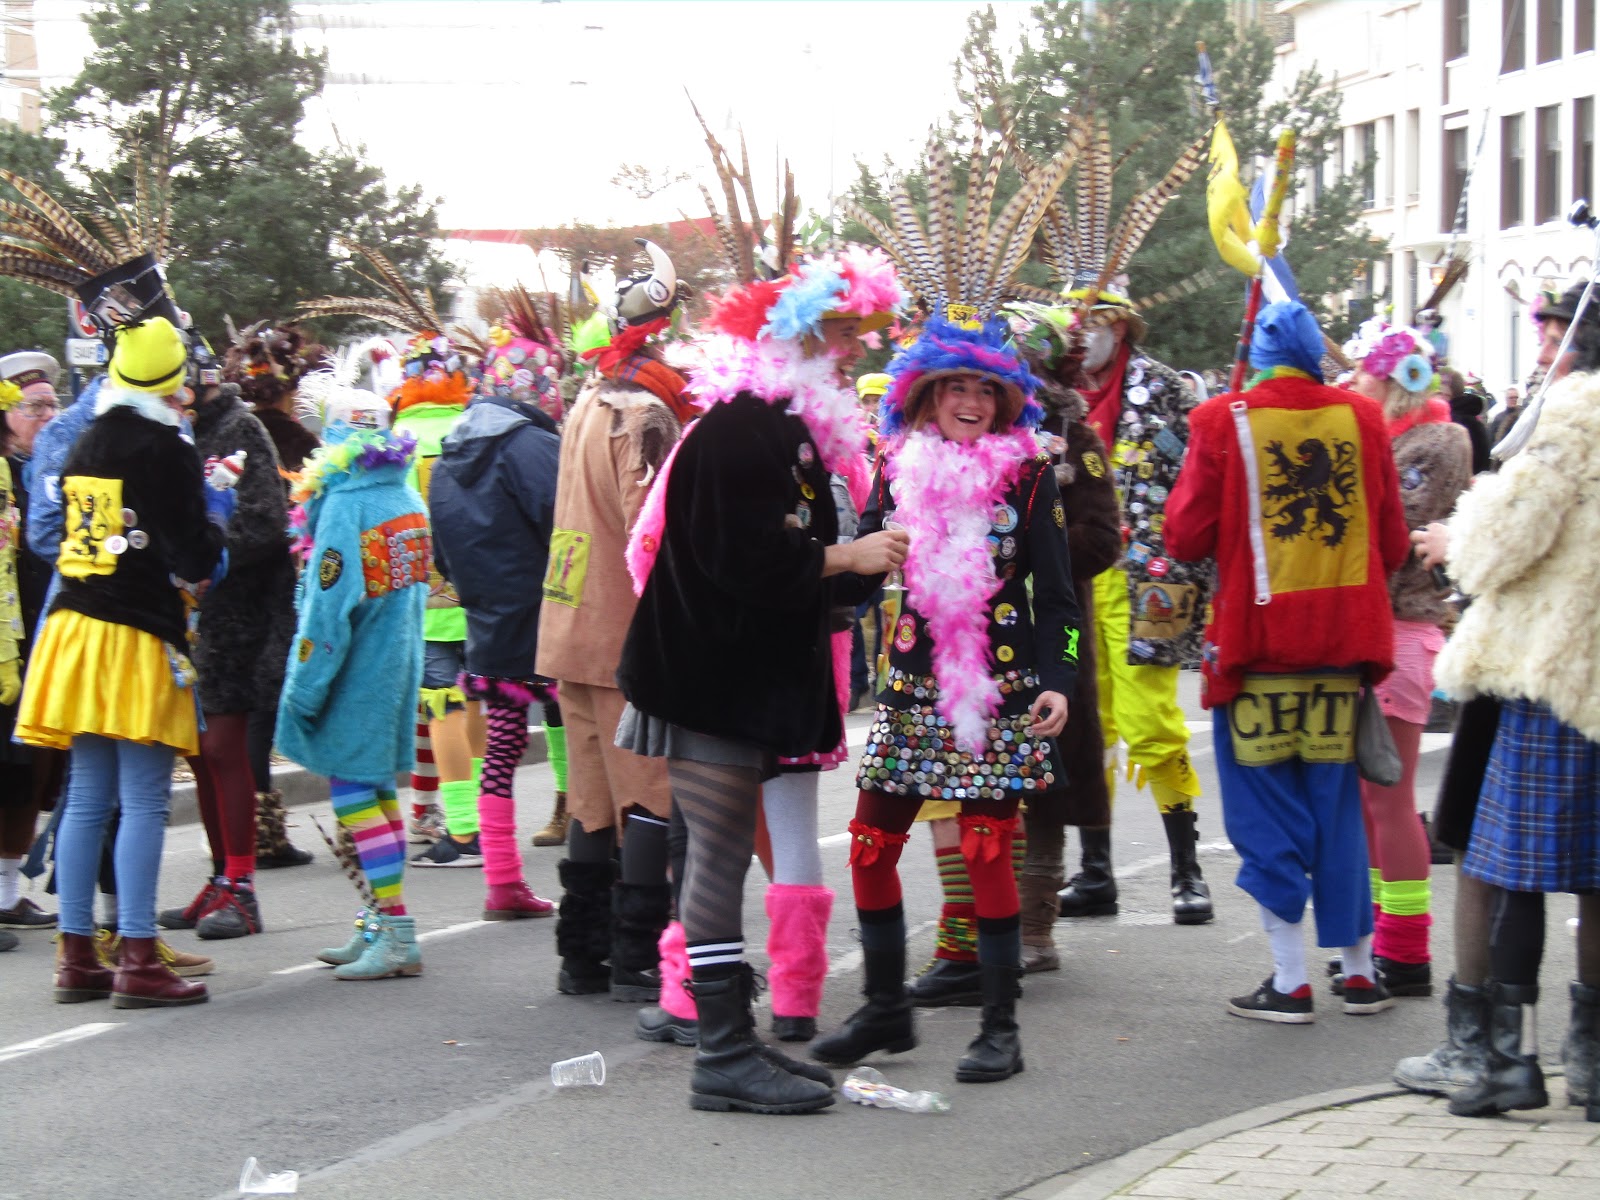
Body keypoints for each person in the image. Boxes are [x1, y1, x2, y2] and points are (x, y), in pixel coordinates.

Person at [615, 256, 908, 1114]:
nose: (854, 350)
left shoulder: (787, 430)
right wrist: (841, 557)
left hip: (743, 678)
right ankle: (722, 1054)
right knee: (714, 856)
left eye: (858, 333)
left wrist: (857, 565)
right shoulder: (741, 428)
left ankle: (737, 1046)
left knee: (722, 854)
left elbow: (801, 556)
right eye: (843, 333)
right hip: (708, 679)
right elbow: (735, 557)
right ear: (798, 338)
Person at [1163, 300, 1410, 1024]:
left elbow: (1184, 534)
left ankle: (1290, 978)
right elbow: (1391, 543)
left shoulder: (1220, 420)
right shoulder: (1363, 419)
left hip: (1258, 650)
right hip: (1342, 651)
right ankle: (1360, 974)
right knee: (1337, 811)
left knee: (1266, 814)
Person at [1398, 280, 1600, 1121]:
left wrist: (1452, 543)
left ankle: (1496, 1058)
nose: (1547, 339)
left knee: (1501, 864)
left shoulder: (1577, 414)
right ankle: (1590, 1067)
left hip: (1551, 667)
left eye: (1559, 327)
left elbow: (1511, 537)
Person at [16, 315, 225, 1007]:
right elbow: (195, 557)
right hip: (134, 636)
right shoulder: (166, 446)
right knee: (140, 799)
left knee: (86, 798)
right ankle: (137, 955)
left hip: (72, 633)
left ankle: (77, 956)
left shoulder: (83, 438)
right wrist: (217, 514)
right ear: (172, 377)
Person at [537, 243, 690, 1003]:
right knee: (648, 799)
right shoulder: (648, 410)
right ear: (661, 328)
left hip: (570, 625)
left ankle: (582, 954)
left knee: (593, 800)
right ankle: (635, 960)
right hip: (625, 634)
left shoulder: (588, 400)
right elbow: (651, 535)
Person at [1325, 319, 1470, 1001]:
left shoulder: (1437, 441)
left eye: (1362, 373)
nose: (1352, 382)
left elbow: (1395, 526)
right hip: (1372, 634)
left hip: (1402, 633)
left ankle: (1407, 952)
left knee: (1388, 798)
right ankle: (1387, 935)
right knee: (1366, 799)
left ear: (1391, 378)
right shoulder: (1383, 435)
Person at [279, 361, 429, 980]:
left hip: (354, 670)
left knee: (351, 796)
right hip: (398, 664)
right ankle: (376, 922)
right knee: (379, 789)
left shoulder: (344, 506)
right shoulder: (407, 493)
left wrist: (304, 686)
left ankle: (395, 931)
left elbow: (326, 607)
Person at [158, 347, 309, 943]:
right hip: (199, 619)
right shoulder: (179, 431)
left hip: (241, 617)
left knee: (223, 746)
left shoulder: (240, 428)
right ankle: (223, 878)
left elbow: (265, 519)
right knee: (204, 753)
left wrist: (202, 560)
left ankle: (242, 889)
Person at [428, 302, 563, 923]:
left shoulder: (449, 459)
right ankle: (605, 869)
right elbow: (567, 532)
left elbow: (445, 557)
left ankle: (504, 882)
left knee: (502, 754)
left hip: (490, 627)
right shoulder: (532, 446)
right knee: (589, 743)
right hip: (553, 624)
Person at [0, 352, 62, 934]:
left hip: (42, 638)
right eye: (32, 406)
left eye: (51, 404)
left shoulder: (53, 471)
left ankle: (7, 890)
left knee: (29, 773)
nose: (45, 415)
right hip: (4, 642)